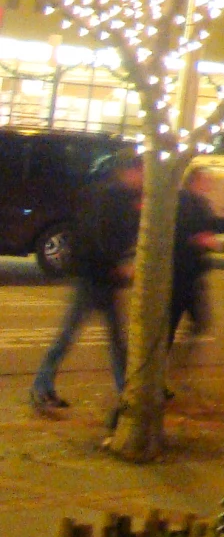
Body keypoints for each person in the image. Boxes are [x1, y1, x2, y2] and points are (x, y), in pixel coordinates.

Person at [30, 151, 142, 417]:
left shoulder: (121, 197)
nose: (143, 178)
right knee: (73, 336)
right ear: (129, 172)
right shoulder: (110, 197)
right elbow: (99, 236)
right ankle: (41, 387)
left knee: (114, 340)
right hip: (94, 277)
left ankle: (125, 391)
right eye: (141, 173)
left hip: (102, 278)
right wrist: (119, 264)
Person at [167, 171, 217, 381]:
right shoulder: (185, 202)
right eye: (205, 180)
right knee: (174, 323)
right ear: (195, 181)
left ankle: (171, 365)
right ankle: (169, 367)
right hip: (184, 272)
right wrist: (199, 240)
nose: (209, 184)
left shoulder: (197, 202)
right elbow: (181, 233)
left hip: (192, 272)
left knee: (193, 321)